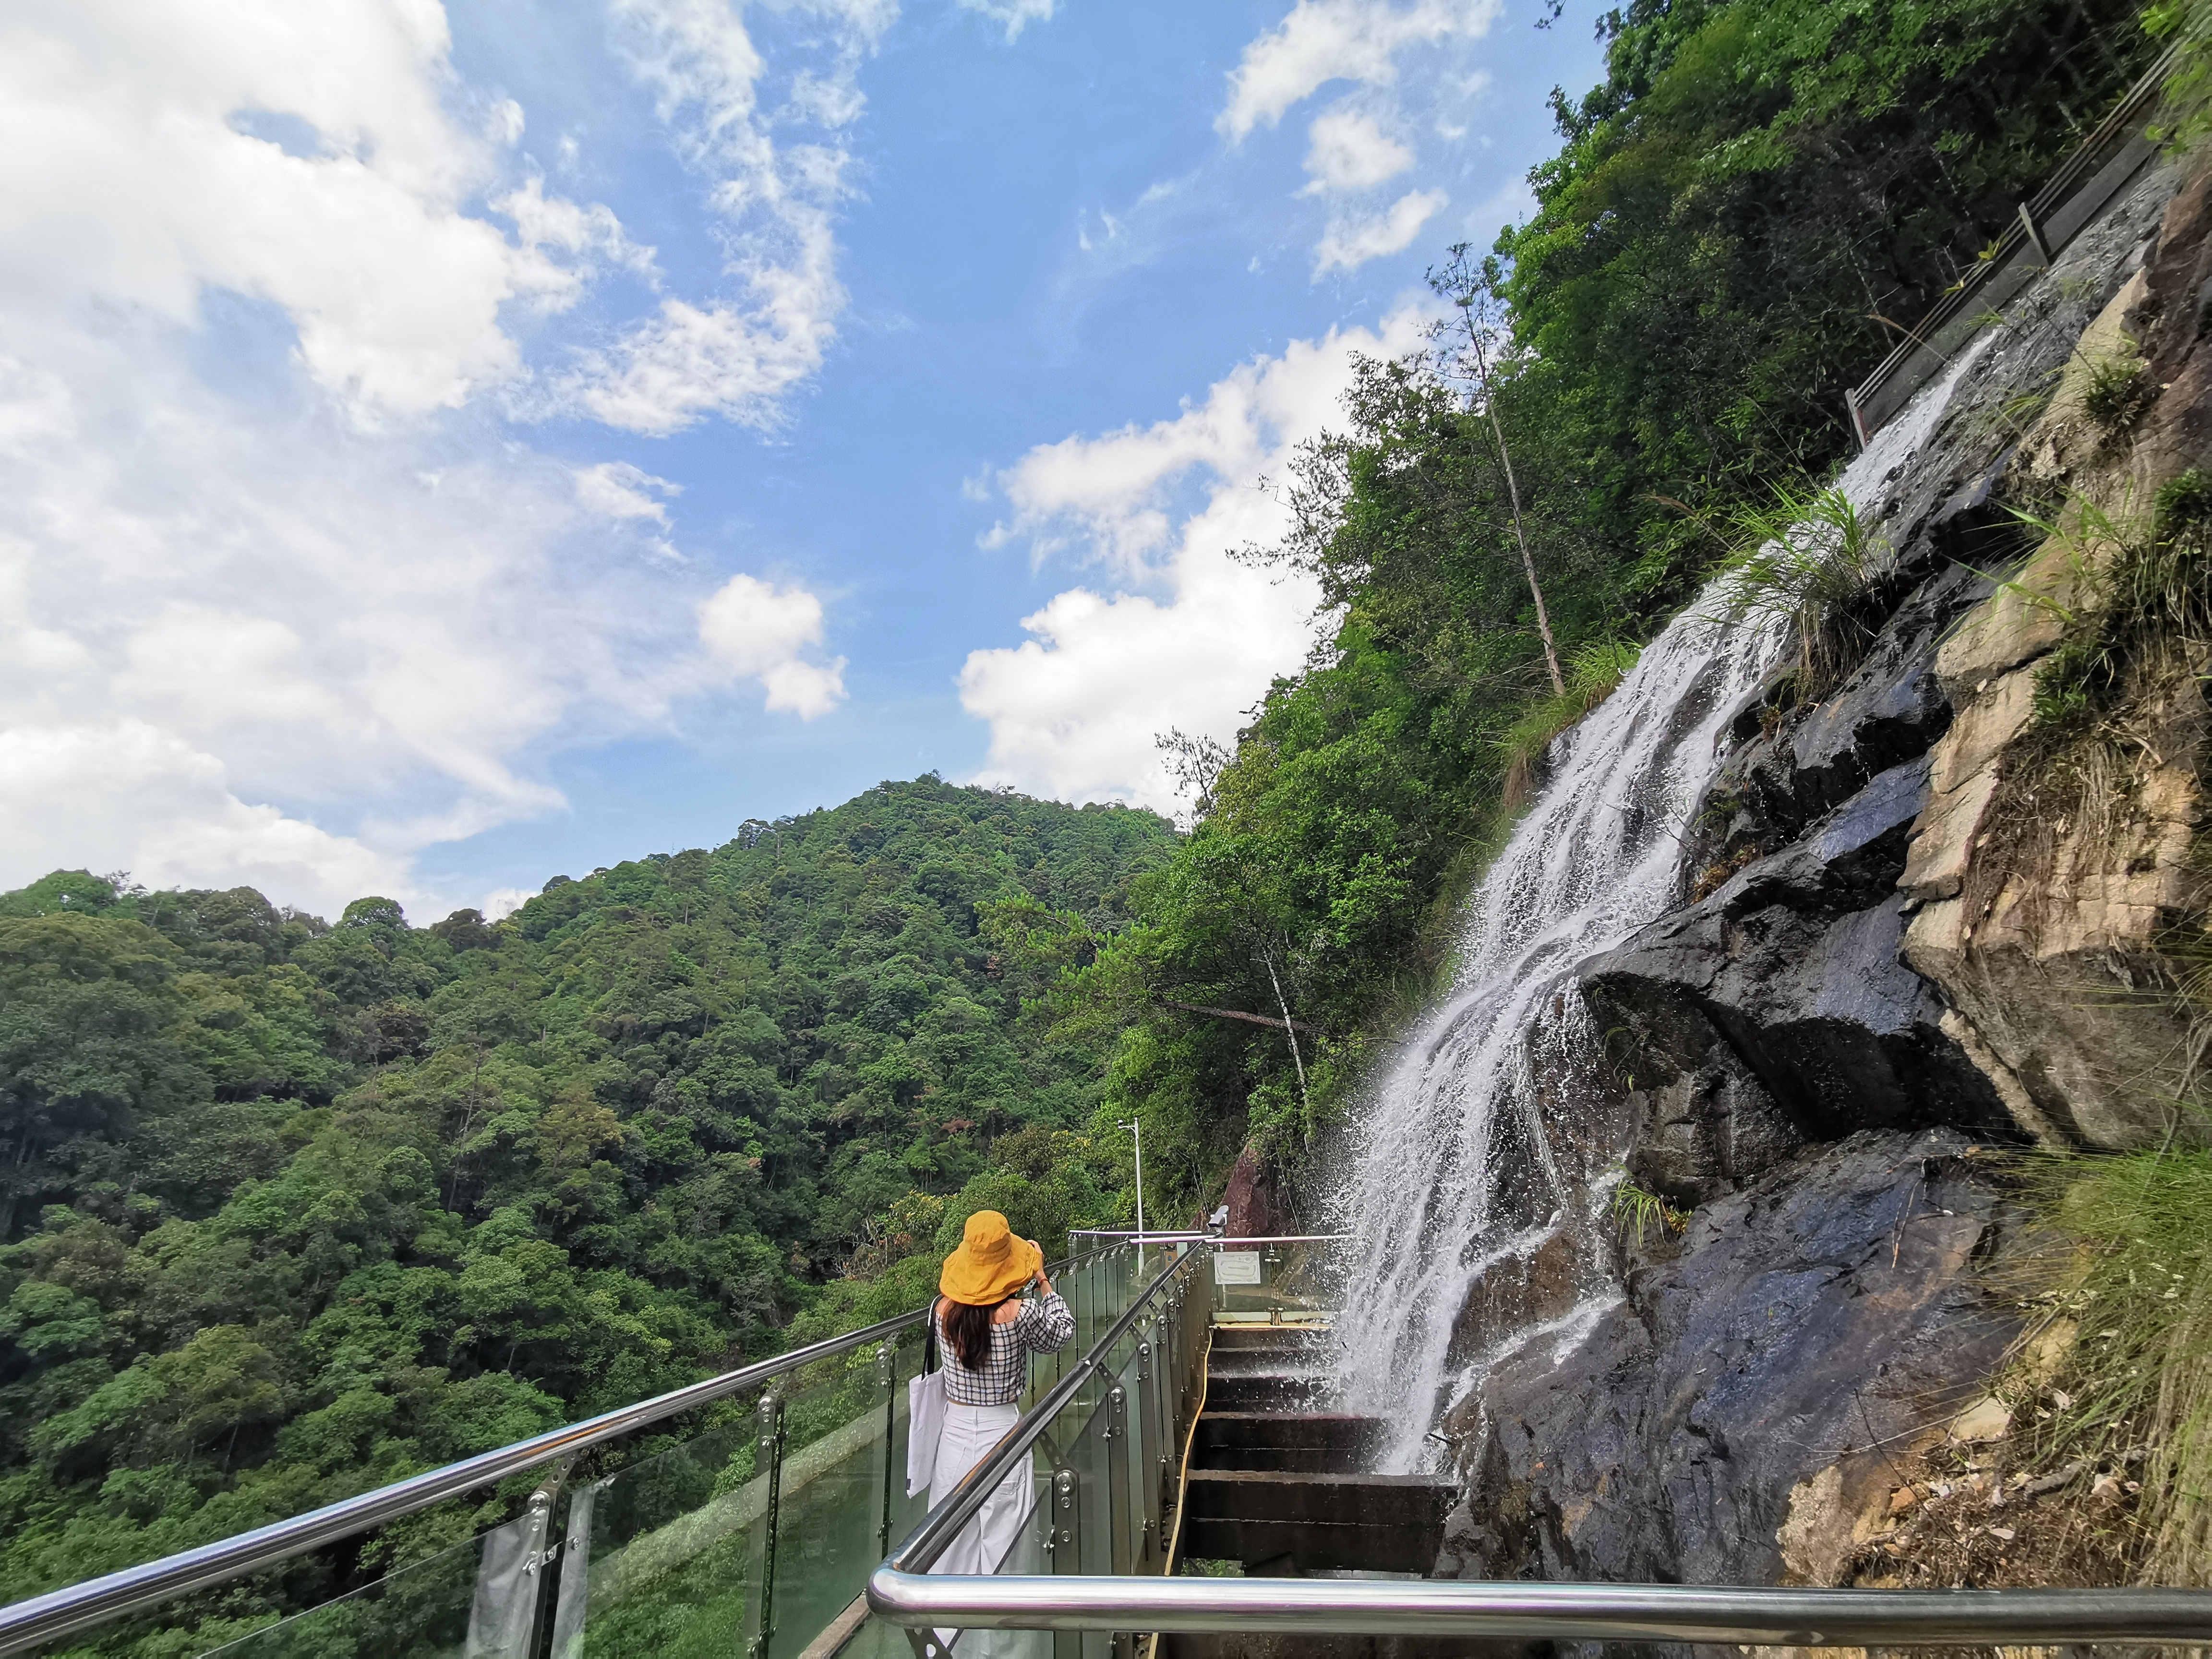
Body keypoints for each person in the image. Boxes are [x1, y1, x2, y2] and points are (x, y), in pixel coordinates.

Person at [928, 1210, 1075, 1606]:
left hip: (953, 1436)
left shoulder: (940, 1313)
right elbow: (1063, 1331)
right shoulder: (1020, 1315)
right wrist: (1043, 1280)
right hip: (1003, 1436)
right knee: (1007, 1559)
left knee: (947, 1555)